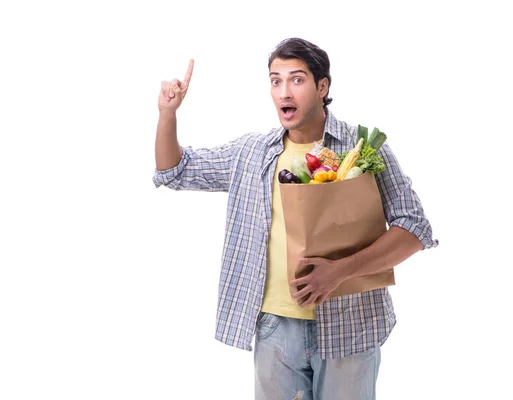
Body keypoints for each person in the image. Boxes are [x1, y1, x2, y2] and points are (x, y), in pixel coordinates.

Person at [153, 37, 438, 400]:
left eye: (297, 79)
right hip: (275, 327)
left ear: (323, 86)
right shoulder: (252, 153)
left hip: (351, 323)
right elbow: (174, 170)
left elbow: (414, 228)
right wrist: (167, 114)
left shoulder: (362, 148)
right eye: (276, 80)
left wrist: (340, 271)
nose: (284, 91)